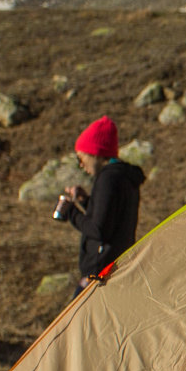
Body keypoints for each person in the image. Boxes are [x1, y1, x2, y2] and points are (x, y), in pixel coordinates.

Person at [52, 116, 144, 293]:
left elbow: (100, 230)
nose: (81, 164)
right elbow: (111, 216)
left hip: (100, 272)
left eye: (82, 157)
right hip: (118, 264)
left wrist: (70, 211)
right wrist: (87, 202)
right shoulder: (124, 176)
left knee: (77, 320)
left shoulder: (107, 179)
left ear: (94, 153)